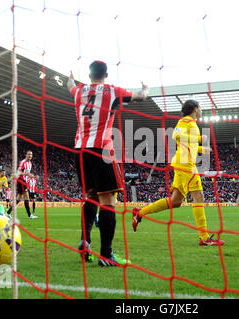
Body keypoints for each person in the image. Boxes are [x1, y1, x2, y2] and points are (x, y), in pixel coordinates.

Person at [67, 60, 149, 266]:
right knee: (108, 201)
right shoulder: (112, 91)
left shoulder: (78, 92)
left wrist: (69, 78)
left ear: (89, 75)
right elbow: (140, 97)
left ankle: (85, 240)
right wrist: (146, 89)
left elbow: (69, 86)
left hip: (80, 150)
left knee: (90, 197)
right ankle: (106, 254)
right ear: (106, 74)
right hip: (102, 150)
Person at [132, 99, 225, 246]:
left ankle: (140, 213)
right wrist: (199, 138)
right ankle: (204, 237)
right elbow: (176, 135)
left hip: (183, 164)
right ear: (195, 109)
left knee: (175, 202)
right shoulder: (186, 121)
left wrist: (201, 148)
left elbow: (186, 144)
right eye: (200, 108)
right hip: (185, 165)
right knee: (198, 196)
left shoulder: (191, 123)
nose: (201, 111)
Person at [6, 150, 37, 219]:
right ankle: (29, 215)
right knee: (27, 197)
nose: (30, 156)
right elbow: (18, 172)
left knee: (18, 199)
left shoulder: (30, 163)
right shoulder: (23, 162)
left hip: (25, 181)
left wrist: (30, 176)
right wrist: (25, 174)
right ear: (26, 155)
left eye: (31, 155)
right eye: (29, 154)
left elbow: (27, 173)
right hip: (21, 180)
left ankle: (8, 213)